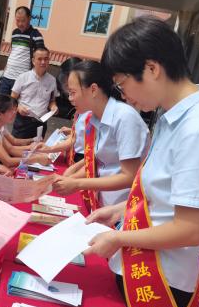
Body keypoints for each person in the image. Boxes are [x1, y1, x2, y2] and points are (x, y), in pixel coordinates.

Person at [84, 16, 199, 307]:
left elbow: (190, 229)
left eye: (123, 84)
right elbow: (163, 198)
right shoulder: (172, 119)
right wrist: (119, 212)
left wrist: (118, 238)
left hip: (160, 283)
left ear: (151, 69)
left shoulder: (198, 130)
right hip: (141, 267)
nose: (124, 96)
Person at [53, 60, 149, 213]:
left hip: (123, 212)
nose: (70, 98)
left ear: (93, 90)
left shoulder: (124, 118)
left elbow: (129, 177)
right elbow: (97, 162)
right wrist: (71, 178)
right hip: (103, 205)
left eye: (73, 92)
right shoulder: (93, 119)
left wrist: (77, 184)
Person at [0, 94, 51, 175]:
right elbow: (8, 161)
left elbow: (11, 149)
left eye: (15, 109)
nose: (15, 113)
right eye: (11, 110)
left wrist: (34, 151)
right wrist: (36, 158)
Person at [11, 46, 59, 139]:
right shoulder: (23, 77)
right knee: (17, 146)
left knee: (37, 147)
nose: (43, 62)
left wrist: (54, 107)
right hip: (23, 121)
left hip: (41, 122)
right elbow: (12, 98)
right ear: (33, 61)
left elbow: (52, 100)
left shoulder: (52, 80)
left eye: (46, 59)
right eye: (39, 59)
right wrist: (19, 107)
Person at [0, 6, 45, 95]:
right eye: (17, 20)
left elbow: (41, 57)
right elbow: (13, 52)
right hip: (7, 76)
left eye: (23, 20)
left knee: (16, 103)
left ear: (29, 18)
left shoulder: (36, 35)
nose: (20, 23)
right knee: (2, 101)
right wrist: (5, 68)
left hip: (22, 79)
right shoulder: (14, 33)